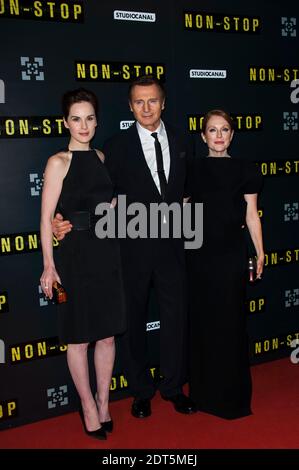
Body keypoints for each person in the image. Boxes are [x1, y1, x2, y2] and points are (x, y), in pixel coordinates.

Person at [53, 76, 196, 419]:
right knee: (131, 322)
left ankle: (173, 386)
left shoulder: (182, 140)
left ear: (164, 103)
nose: (147, 108)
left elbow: (189, 193)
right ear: (130, 107)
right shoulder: (114, 148)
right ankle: (141, 391)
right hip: (129, 248)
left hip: (173, 244)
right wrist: (62, 221)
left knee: (176, 318)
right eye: (139, 102)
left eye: (153, 101)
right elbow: (94, 195)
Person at [40, 88, 126, 439]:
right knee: (78, 340)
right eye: (76, 118)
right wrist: (49, 265)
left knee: (106, 337)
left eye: (89, 117)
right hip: (74, 258)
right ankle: (87, 406)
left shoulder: (103, 158)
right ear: (65, 122)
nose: (84, 125)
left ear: (97, 120)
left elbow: (111, 208)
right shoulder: (58, 162)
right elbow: (46, 219)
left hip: (107, 254)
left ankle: (104, 403)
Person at [187, 109, 264, 419]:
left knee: (231, 324)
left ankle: (232, 397)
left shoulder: (246, 169)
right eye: (212, 130)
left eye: (225, 130)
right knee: (203, 323)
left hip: (231, 255)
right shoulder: (191, 169)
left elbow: (251, 214)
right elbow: (181, 212)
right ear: (203, 136)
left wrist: (260, 251)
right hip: (199, 257)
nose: (219, 135)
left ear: (232, 135)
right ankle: (203, 394)